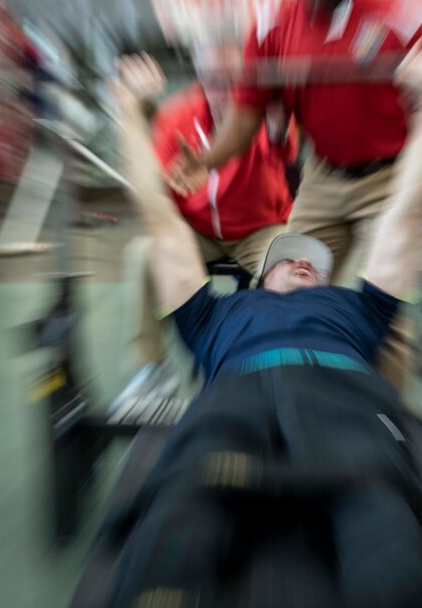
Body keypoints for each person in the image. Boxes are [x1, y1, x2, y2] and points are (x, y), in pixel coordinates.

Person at [103, 37, 422, 607]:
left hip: (342, 409)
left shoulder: (359, 310)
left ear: (328, 279)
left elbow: (405, 212)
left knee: (385, 529)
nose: (303, 262)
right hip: (231, 409)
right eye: (290, 259)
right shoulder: (211, 316)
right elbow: (157, 216)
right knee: (177, 520)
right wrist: (127, 108)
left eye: (314, 263)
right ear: (261, 275)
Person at [168, 0, 422, 393]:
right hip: (323, 177)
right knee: (282, 294)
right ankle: (287, 402)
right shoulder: (274, 18)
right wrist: (205, 159)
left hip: (388, 178)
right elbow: (246, 117)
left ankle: (392, 431)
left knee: (388, 313)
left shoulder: (404, 10)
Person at [117, 41, 298, 406]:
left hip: (260, 228)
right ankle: (153, 370)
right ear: (200, 77)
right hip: (196, 230)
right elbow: (155, 192)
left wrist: (277, 119)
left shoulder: (261, 112)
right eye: (214, 80)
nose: (225, 90)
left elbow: (283, 144)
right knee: (145, 255)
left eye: (234, 79)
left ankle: (285, 372)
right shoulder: (175, 116)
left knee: (293, 266)